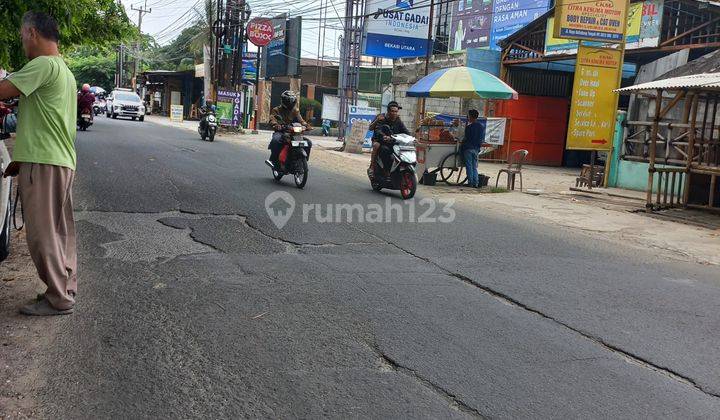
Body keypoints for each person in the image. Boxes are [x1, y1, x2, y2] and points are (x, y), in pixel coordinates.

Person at [0, 11, 78, 315]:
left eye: (21, 36)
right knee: (60, 233)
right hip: (58, 160)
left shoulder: (41, 65)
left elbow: (3, 90)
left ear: (32, 32)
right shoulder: (62, 70)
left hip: (45, 162)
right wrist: (20, 161)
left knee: (42, 234)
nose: (22, 42)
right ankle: (64, 289)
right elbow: (46, 121)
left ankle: (58, 298)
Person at [266, 90, 312, 167]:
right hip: (281, 131)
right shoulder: (276, 110)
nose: (290, 102)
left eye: (292, 100)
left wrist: (306, 125)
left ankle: (302, 161)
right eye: (288, 101)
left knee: (308, 142)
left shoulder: (295, 110)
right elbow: (272, 119)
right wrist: (276, 125)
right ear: (284, 101)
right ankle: (273, 160)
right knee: (275, 140)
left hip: (293, 132)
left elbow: (301, 120)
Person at [368, 101, 409, 177]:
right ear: (388, 111)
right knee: (378, 147)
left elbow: (405, 131)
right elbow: (376, 129)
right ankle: (372, 166)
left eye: (396, 111)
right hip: (379, 140)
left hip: (392, 141)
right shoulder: (381, 117)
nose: (394, 113)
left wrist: (411, 137)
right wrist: (383, 135)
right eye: (392, 111)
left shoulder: (398, 120)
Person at [462, 109, 486, 188]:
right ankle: (476, 183)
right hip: (476, 149)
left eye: (468, 116)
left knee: (469, 166)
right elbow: (481, 139)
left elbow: (466, 138)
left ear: (471, 117)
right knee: (474, 166)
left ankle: (470, 182)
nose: (468, 117)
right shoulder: (481, 127)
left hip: (468, 149)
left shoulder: (469, 127)